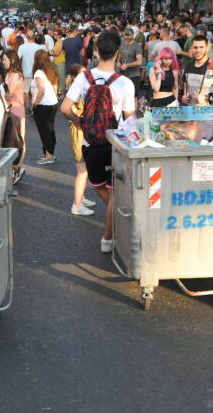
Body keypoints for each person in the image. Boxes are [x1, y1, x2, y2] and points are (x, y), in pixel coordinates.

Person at [59, 30, 136, 254]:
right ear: (118, 53)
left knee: (99, 186)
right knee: (115, 193)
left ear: (96, 51)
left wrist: (78, 121)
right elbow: (130, 118)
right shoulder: (124, 83)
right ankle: (107, 237)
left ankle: (112, 221)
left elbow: (64, 108)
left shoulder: (84, 77)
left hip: (89, 142)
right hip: (115, 142)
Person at [64, 65, 96, 216]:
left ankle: (81, 197)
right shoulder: (75, 91)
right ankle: (76, 205)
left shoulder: (77, 89)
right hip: (78, 131)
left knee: (85, 169)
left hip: (80, 130)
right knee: (82, 170)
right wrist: (76, 119)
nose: (87, 76)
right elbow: (65, 109)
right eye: (83, 74)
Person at [30, 50, 60, 164]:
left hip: (43, 104)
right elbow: (55, 87)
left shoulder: (38, 72)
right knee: (50, 129)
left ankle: (48, 156)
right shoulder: (50, 70)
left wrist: (35, 104)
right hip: (53, 103)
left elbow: (41, 90)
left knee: (44, 131)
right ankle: (49, 153)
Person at [118, 27, 145, 95]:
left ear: (133, 35)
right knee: (123, 95)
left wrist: (127, 65)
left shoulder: (137, 46)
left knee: (134, 96)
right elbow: (120, 55)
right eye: (126, 35)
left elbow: (139, 61)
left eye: (129, 35)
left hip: (134, 75)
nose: (127, 37)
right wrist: (118, 62)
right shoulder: (122, 42)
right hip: (123, 74)